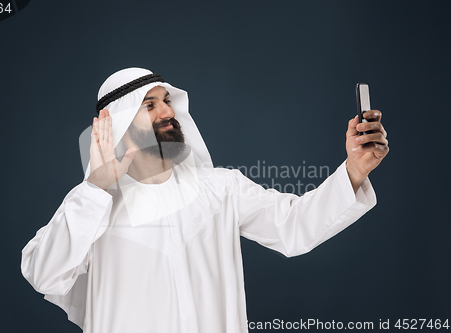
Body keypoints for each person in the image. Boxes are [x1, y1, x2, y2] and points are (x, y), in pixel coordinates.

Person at [21, 68, 389, 333]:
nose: (168, 112)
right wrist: (95, 189)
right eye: (150, 106)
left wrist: (354, 170)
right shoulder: (93, 207)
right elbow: (43, 274)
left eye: (166, 101)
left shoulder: (220, 189)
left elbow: (295, 226)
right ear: (116, 123)